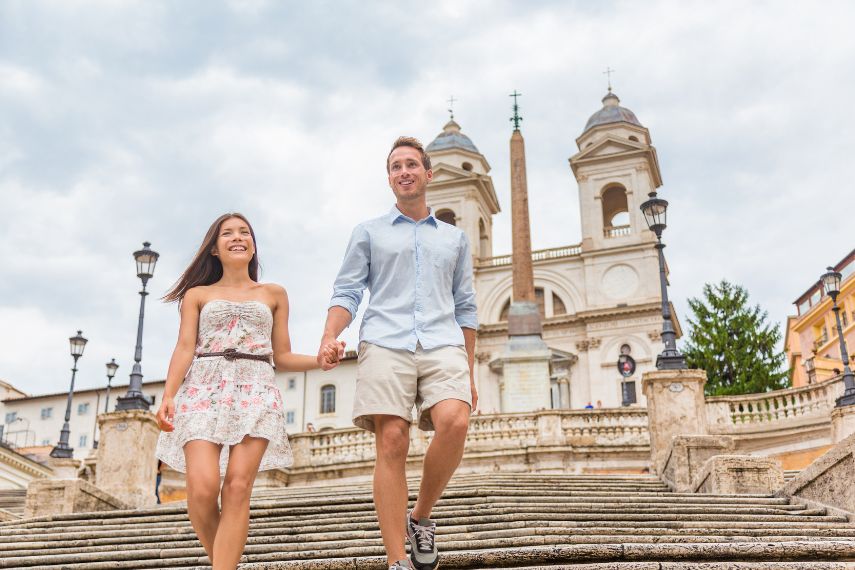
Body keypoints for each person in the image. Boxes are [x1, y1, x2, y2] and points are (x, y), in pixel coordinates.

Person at [318, 136, 477, 570]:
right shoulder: (367, 232)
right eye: (395, 166)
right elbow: (347, 291)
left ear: (428, 174)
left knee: (455, 421)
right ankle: (396, 562)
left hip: (443, 340)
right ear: (389, 178)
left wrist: (471, 371)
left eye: (411, 164)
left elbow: (466, 306)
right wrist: (331, 334)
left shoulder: (456, 239)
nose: (403, 171)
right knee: (392, 440)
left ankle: (421, 516)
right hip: (385, 340)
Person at [155, 213, 339, 570]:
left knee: (238, 488)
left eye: (245, 232)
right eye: (228, 233)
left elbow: (282, 355)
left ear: (253, 244)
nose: (238, 237)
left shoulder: (273, 293)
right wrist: (168, 395)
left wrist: (321, 360)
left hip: (256, 387)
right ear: (213, 248)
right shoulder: (197, 294)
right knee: (202, 490)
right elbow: (184, 347)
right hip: (203, 388)